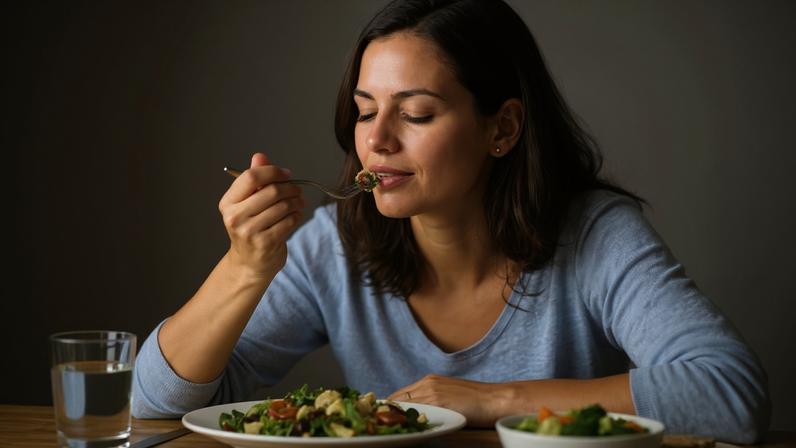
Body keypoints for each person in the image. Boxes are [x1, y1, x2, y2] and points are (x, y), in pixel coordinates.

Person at [132, 0, 770, 442]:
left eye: (415, 114)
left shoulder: (596, 234)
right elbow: (155, 407)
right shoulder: (335, 245)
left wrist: (491, 401)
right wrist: (244, 268)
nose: (376, 141)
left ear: (503, 127)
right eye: (364, 111)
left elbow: (729, 395)